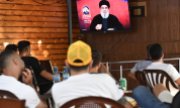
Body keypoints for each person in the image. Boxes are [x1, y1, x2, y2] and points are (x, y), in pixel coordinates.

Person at [51, 40, 131, 108]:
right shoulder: (106, 80)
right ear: (91, 63)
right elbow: (124, 104)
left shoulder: (57, 88)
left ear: (67, 63)